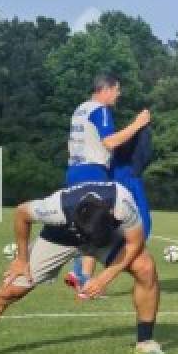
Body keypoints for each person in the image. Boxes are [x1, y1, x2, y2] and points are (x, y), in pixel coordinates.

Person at [0, 181, 165, 354]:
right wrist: (21, 259)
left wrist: (105, 276)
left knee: (146, 268)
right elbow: (21, 213)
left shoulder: (122, 203)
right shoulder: (56, 208)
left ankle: (145, 342)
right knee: (12, 289)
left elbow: (135, 244)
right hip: (61, 236)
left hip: (106, 238)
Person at [64, 73, 151, 293]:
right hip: (92, 173)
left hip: (73, 172)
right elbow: (110, 142)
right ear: (107, 89)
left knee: (86, 225)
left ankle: (81, 274)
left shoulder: (79, 109)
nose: (119, 95)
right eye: (117, 89)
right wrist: (137, 124)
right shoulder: (101, 110)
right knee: (103, 227)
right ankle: (89, 276)